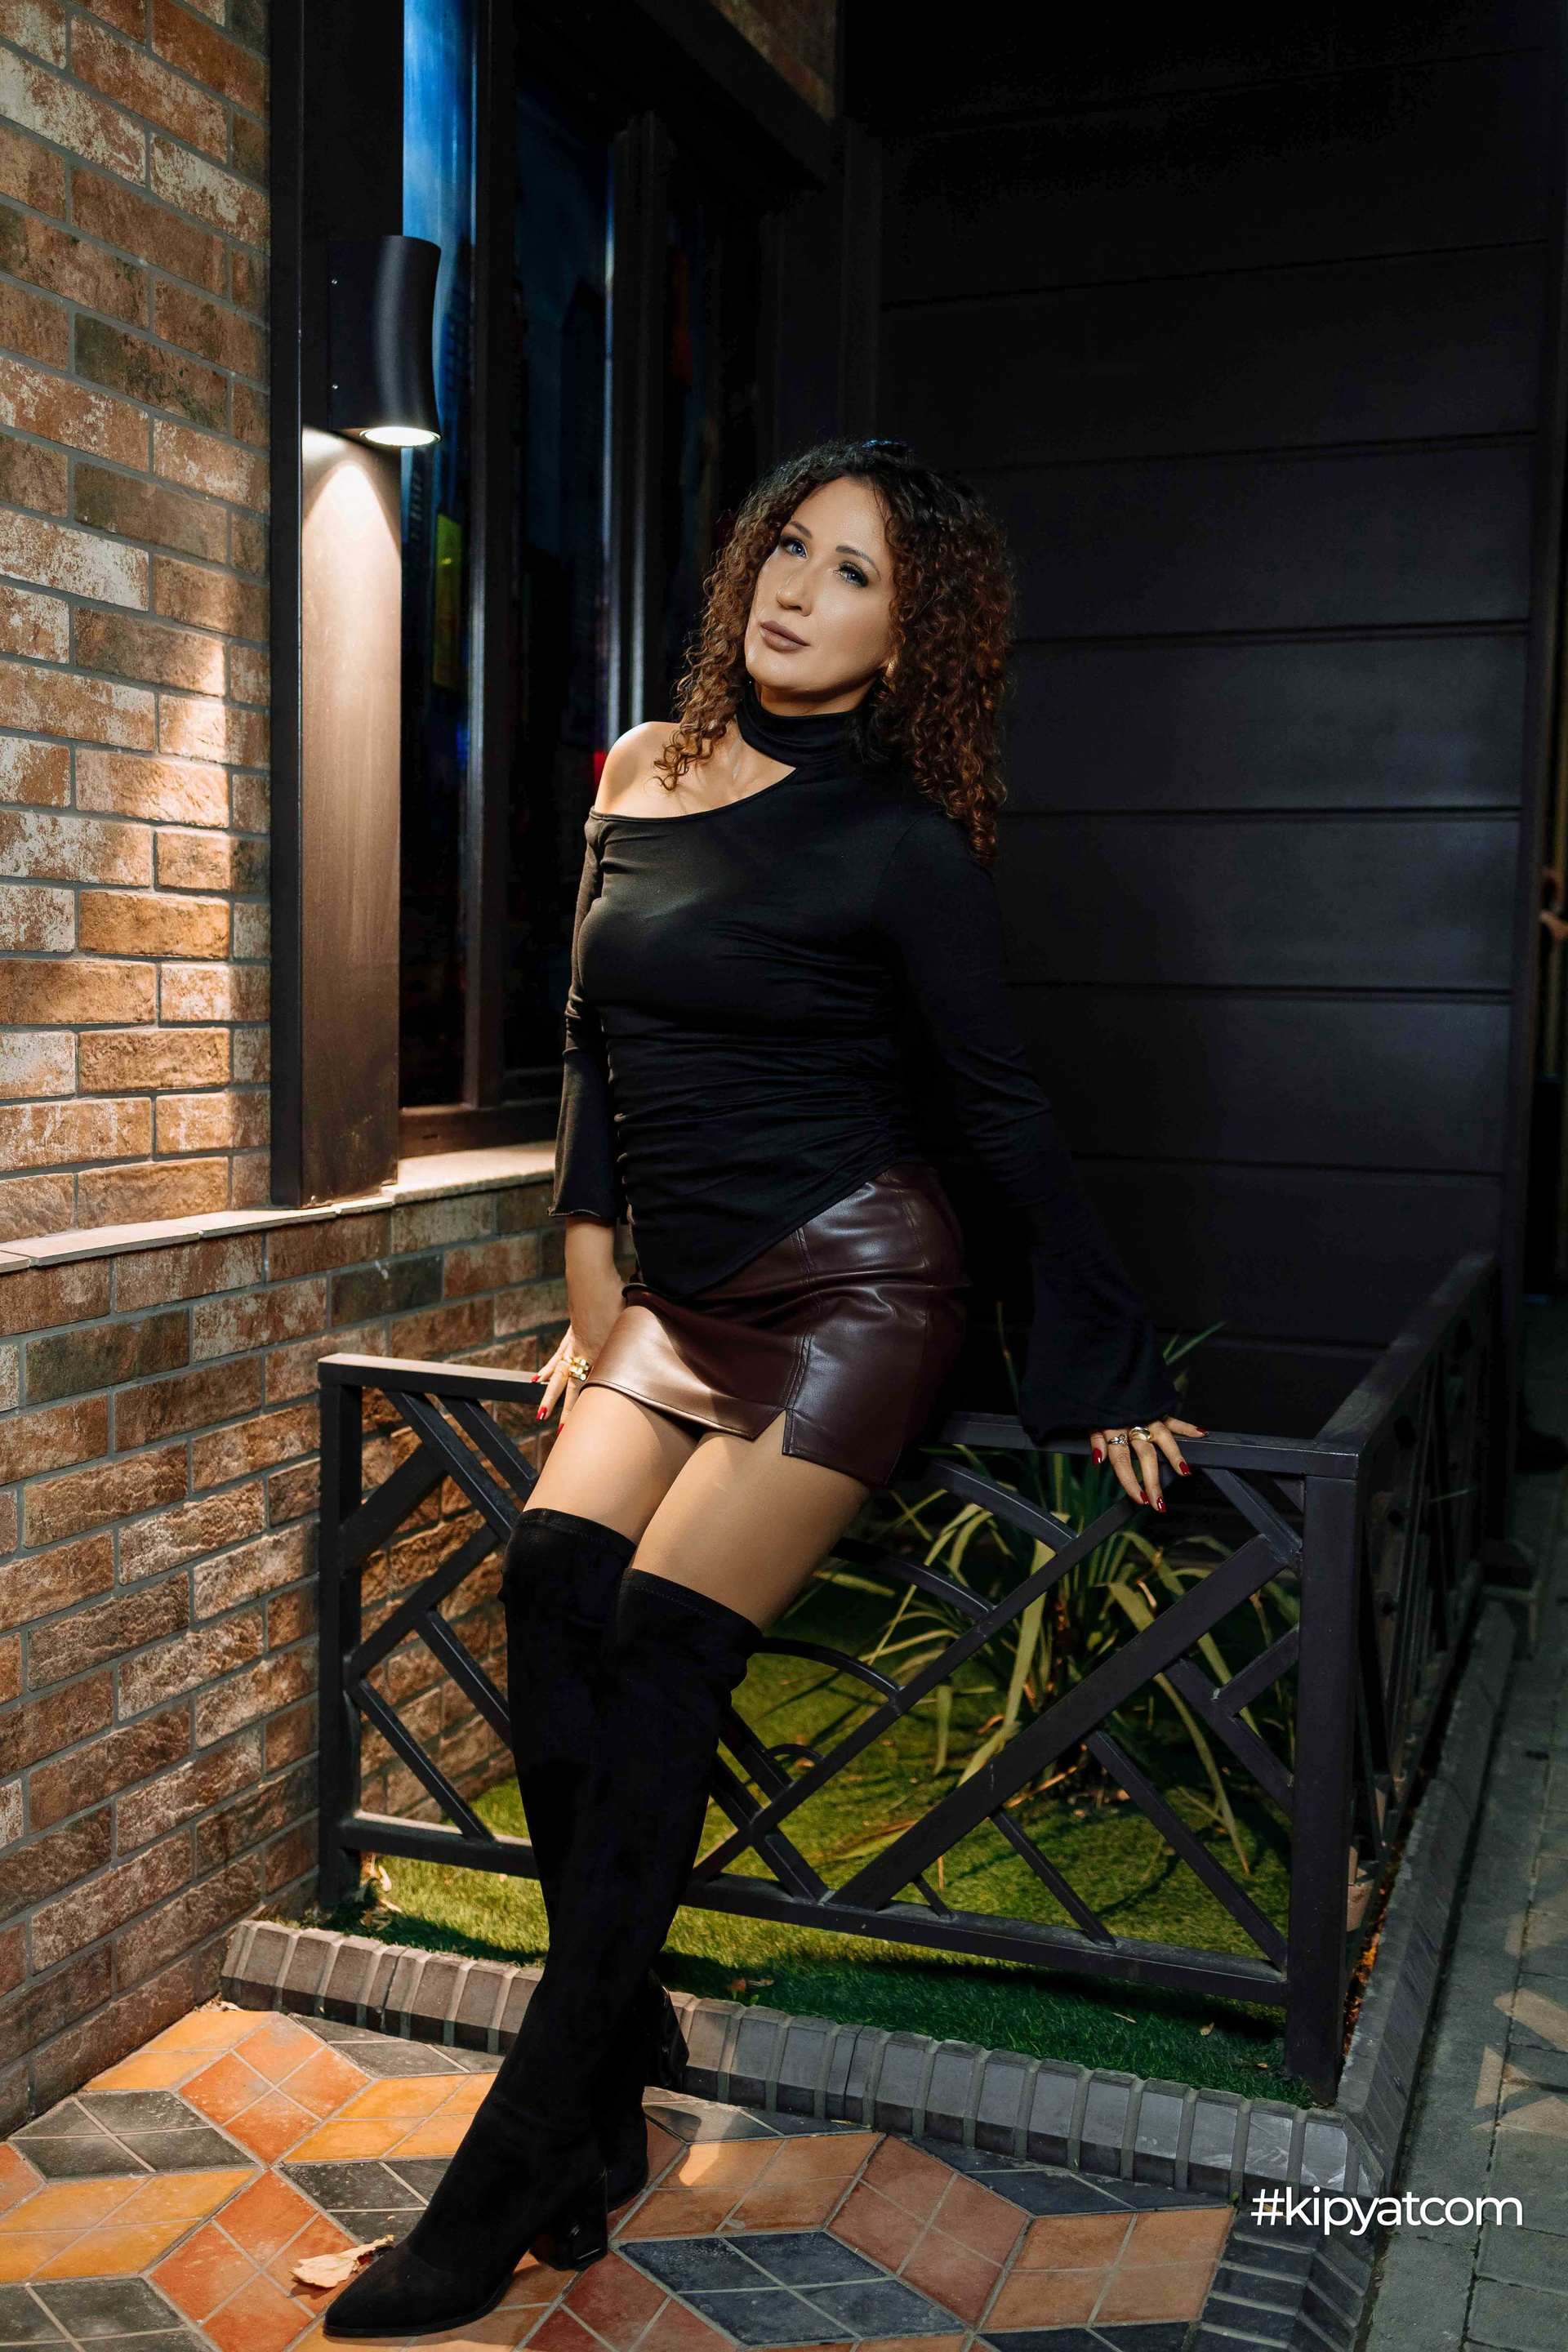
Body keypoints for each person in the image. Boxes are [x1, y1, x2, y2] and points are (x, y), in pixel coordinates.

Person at [324, 439, 1202, 2339]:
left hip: (854, 1294)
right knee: (546, 1585)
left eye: (856, 574)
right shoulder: (640, 770)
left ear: (912, 635)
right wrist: (591, 1288)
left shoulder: (903, 843)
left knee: (656, 1642)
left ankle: (515, 2164)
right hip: (677, 1298)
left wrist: (1104, 1351)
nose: (801, 592)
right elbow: (590, 1048)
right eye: (790, 548)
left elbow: (999, 1109)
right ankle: (611, 2054)